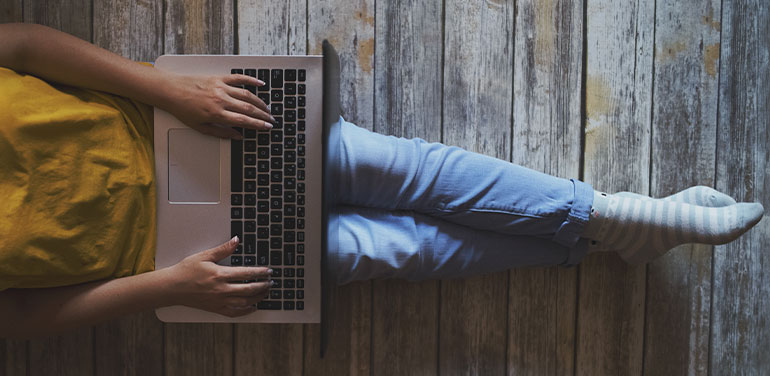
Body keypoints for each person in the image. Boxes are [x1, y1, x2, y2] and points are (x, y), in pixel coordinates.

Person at [0, 23, 763, 338]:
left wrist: (166, 89)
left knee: (410, 170)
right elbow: (22, 323)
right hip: (182, 260)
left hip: (189, 131)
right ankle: (614, 231)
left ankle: (614, 220)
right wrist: (168, 290)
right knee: (387, 251)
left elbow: (25, 45)